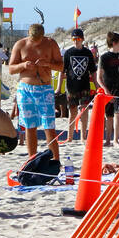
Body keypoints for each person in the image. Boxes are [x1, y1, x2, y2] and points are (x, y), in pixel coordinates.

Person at [7, 24, 62, 160]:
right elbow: (11, 69)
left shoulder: (51, 44)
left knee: (49, 126)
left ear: (43, 36)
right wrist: (24, 65)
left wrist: (47, 64)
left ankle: (56, 161)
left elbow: (61, 66)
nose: (36, 42)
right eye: (33, 40)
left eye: (39, 40)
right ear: (28, 35)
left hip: (45, 89)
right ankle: (32, 160)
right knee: (29, 126)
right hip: (25, 89)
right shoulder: (20, 44)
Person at [61, 28, 96, 143]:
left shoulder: (87, 53)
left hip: (84, 86)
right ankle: (70, 137)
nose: (76, 41)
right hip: (71, 86)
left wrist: (97, 86)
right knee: (72, 112)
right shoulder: (68, 53)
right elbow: (63, 71)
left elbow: (93, 71)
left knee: (84, 111)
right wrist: (58, 88)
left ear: (83, 39)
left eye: (78, 38)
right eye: (74, 39)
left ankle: (83, 136)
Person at [97, 31, 119, 147]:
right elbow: (99, 78)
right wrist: (105, 90)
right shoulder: (104, 57)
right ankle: (108, 139)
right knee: (108, 116)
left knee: (118, 113)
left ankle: (116, 140)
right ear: (114, 43)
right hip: (107, 89)